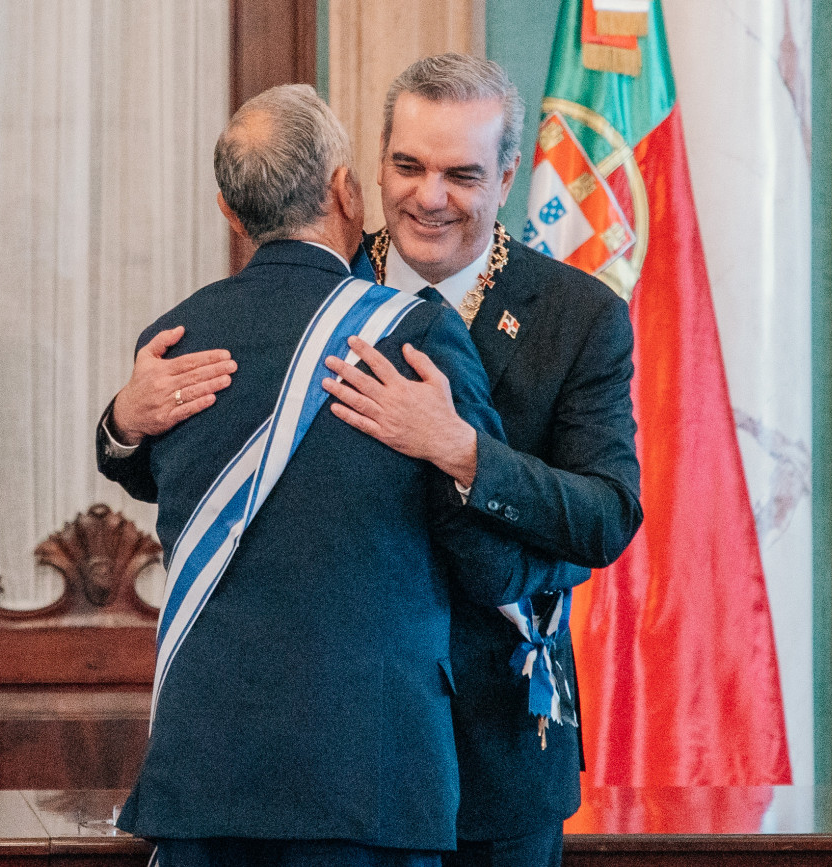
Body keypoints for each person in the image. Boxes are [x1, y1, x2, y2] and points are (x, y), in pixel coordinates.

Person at [100, 55, 642, 867]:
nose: (429, 196)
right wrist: (122, 422)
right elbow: (201, 469)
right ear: (366, 174)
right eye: (408, 166)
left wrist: (463, 450)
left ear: (507, 176)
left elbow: (606, 514)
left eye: (461, 174)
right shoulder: (314, 282)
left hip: (499, 748)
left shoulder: (578, 315)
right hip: (339, 756)